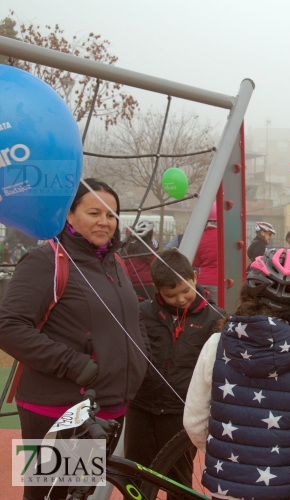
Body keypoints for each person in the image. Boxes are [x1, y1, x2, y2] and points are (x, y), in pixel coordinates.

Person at [0, 179, 149, 500]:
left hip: (107, 406)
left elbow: (133, 321)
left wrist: (139, 358)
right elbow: (8, 325)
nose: (104, 221)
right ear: (68, 216)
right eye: (94, 212)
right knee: (54, 496)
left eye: (111, 214)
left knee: (78, 495)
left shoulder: (115, 264)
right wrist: (78, 367)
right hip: (61, 406)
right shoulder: (47, 261)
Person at [184, 247, 290, 500]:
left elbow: (193, 421)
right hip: (285, 485)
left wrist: (226, 456)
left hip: (227, 483)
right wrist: (287, 460)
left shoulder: (217, 345)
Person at [124, 249, 225, 487]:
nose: (180, 299)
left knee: (178, 479)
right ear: (158, 290)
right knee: (135, 473)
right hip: (142, 408)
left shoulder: (215, 318)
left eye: (185, 291)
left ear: (195, 278)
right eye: (171, 295)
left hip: (182, 411)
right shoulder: (143, 313)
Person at [122, 219, 160, 301]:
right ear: (150, 235)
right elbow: (157, 264)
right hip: (147, 285)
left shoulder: (128, 246)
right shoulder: (148, 249)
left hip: (130, 284)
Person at [192, 202, 220, 297]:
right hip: (219, 282)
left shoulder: (199, 237)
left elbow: (195, 263)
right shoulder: (224, 237)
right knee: (218, 310)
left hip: (202, 281)